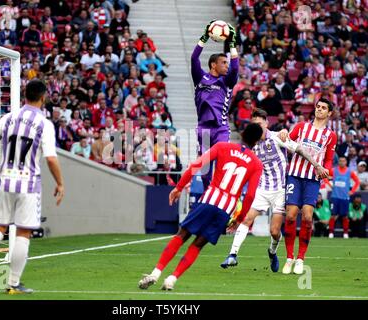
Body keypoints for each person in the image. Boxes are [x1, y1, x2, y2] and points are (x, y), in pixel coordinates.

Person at [138, 123, 263, 291]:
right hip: (225, 210)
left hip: (209, 199)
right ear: (256, 142)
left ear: (241, 134)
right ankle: (172, 279)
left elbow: (196, 165)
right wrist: (239, 219)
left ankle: (156, 272)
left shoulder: (222, 146)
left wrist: (179, 187)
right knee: (197, 245)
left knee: (182, 235)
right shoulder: (256, 163)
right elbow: (250, 195)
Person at [0, 80, 65, 295]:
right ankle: (12, 283)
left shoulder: (9, 118)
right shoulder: (44, 123)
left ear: (25, 96)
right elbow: (50, 158)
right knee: (23, 232)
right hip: (29, 184)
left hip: (5, 181)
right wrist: (60, 182)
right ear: (43, 98)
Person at [220, 109, 328, 272]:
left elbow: (299, 149)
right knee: (247, 220)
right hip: (262, 189)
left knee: (274, 231)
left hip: (281, 191)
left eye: (259, 124)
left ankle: (272, 252)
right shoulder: (252, 144)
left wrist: (317, 165)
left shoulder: (278, 137)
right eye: (254, 124)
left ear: (266, 123)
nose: (257, 127)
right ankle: (232, 255)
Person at [278, 97, 337, 275]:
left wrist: (326, 171)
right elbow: (288, 140)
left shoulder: (330, 136)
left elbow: (328, 161)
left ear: (329, 113)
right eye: (318, 106)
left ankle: (301, 259)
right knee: (290, 216)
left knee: (308, 217)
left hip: (312, 179)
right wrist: (283, 131)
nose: (319, 109)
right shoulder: (302, 126)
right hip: (295, 176)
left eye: (323, 108)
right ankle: (289, 257)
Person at [191, 21, 239, 192]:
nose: (227, 65)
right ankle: (208, 192)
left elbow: (235, 69)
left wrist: (232, 45)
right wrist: (204, 38)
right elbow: (194, 58)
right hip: (203, 128)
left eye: (227, 62)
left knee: (223, 159)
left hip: (221, 128)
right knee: (204, 166)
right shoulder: (200, 78)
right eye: (223, 63)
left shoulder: (226, 81)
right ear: (213, 65)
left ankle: (220, 190)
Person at [327, 157, 360, 239]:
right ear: (338, 162)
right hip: (335, 197)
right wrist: (330, 184)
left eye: (343, 161)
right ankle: (331, 233)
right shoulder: (333, 170)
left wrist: (352, 191)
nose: (342, 162)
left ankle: (345, 233)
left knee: (345, 216)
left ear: (346, 162)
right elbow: (325, 176)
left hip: (345, 198)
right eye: (340, 161)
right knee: (333, 215)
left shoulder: (350, 171)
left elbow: (357, 181)